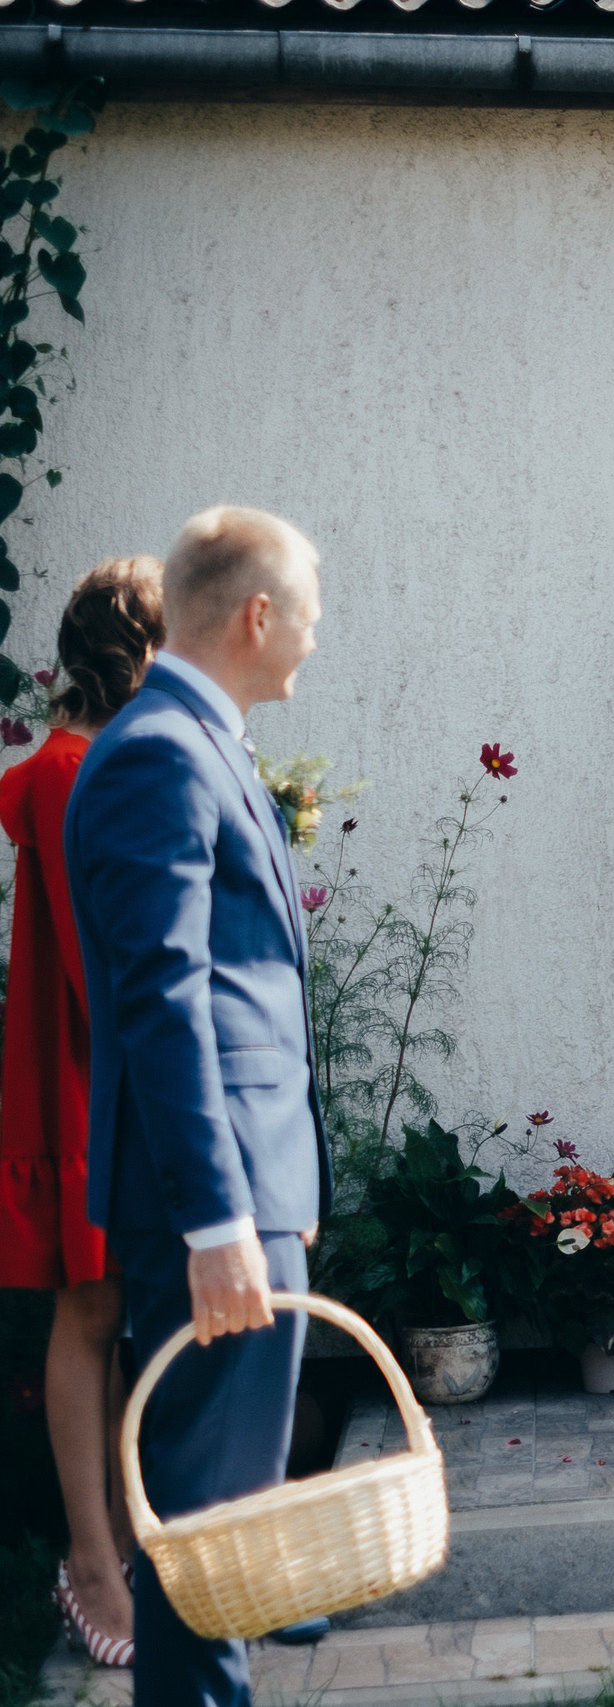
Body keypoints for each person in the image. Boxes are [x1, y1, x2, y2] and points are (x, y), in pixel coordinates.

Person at [62, 508, 331, 1707]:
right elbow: (164, 1006)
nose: (317, 636)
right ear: (258, 615)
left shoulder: (193, 741)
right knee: (205, 1533)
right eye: (310, 608)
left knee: (222, 1532)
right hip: (208, 1213)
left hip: (248, 1194)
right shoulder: (158, 754)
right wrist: (222, 1225)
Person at [2, 558, 164, 1668]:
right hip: (86, 1078)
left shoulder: (97, 757)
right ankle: (90, 1561)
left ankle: (123, 1536)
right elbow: (93, 961)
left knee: (109, 1315)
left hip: (107, 1075)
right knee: (89, 1308)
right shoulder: (73, 770)